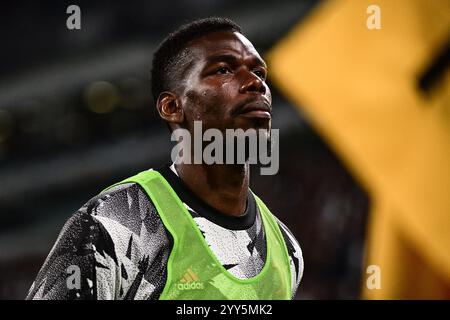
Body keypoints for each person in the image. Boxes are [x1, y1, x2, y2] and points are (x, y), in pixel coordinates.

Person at [26, 17, 303, 300]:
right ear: (172, 107)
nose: (255, 83)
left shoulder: (287, 249)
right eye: (223, 70)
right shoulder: (117, 221)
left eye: (259, 72)